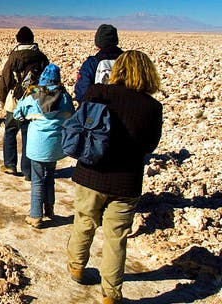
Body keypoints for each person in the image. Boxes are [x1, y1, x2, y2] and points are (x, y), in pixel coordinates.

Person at [66, 50, 163, 304]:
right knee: (116, 237)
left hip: (91, 174)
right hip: (127, 181)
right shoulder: (152, 107)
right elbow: (150, 145)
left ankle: (76, 267)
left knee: (84, 222)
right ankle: (111, 293)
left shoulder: (98, 92)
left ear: (117, 69)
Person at [13, 64, 74, 228]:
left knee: (37, 179)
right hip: (56, 146)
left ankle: (35, 215)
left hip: (37, 145)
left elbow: (18, 113)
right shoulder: (65, 97)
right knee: (49, 175)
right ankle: (49, 208)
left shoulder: (34, 95)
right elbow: (71, 116)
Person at [0, 26, 49, 179]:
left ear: (18, 39)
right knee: (29, 133)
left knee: (11, 131)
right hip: (34, 100)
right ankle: (28, 170)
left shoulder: (14, 57)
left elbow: (5, 81)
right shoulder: (41, 57)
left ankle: (10, 164)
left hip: (16, 100)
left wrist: (3, 98)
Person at [74, 24, 123, 102]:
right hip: (126, 108)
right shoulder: (128, 61)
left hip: (99, 109)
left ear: (98, 42)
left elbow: (82, 91)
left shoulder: (92, 63)